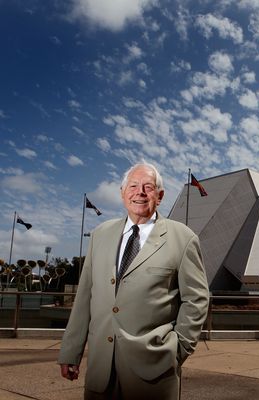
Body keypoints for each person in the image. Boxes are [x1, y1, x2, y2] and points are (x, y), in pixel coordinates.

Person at [58, 162, 209, 400]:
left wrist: (177, 350)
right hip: (100, 370)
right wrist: (70, 352)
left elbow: (197, 299)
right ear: (122, 193)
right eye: (133, 185)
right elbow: (85, 296)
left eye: (148, 187)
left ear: (159, 196)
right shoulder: (100, 235)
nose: (140, 192)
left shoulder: (183, 238)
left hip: (154, 371)